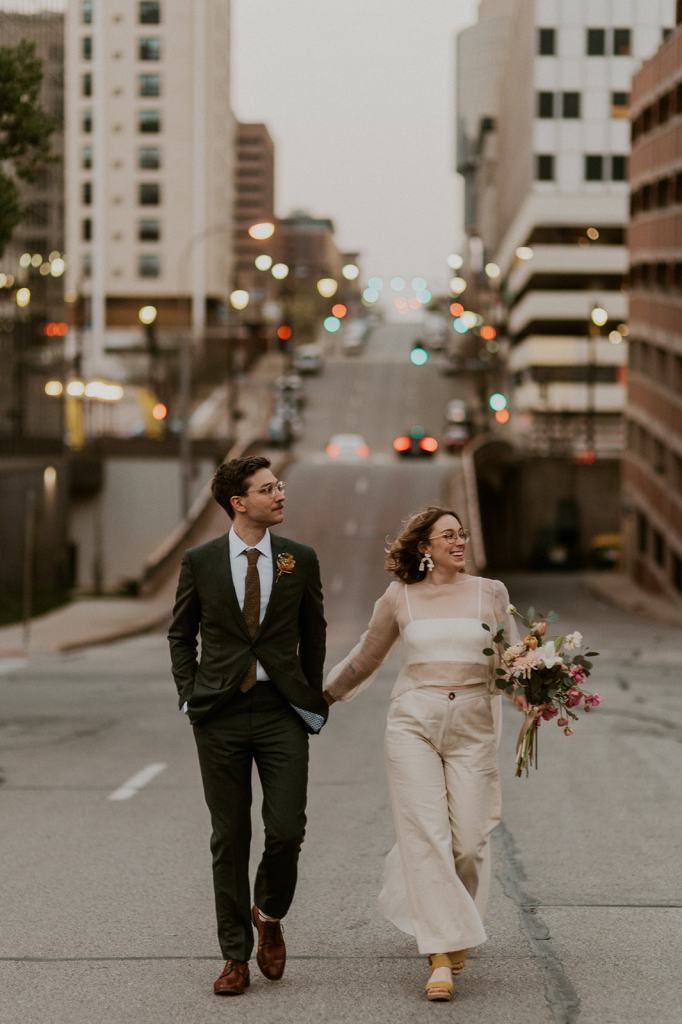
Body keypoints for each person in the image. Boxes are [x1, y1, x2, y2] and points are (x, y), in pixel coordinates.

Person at [323, 506, 524, 1003]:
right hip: (413, 722)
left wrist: (534, 691)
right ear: (424, 548)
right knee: (427, 836)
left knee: (470, 842)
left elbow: (513, 661)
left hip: (474, 725)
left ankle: (452, 920)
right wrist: (316, 697)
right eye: (448, 536)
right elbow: (366, 657)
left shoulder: (491, 592)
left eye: (463, 534)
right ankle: (439, 955)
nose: (460, 542)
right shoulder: (400, 597)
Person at [168, 455, 328, 996]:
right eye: (268, 489)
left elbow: (315, 632)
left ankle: (271, 913)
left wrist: (310, 695)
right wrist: (190, 694)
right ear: (239, 503)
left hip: (282, 711)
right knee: (229, 837)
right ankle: (234, 957)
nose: (280, 494)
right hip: (220, 715)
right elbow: (180, 634)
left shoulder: (298, 559)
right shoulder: (201, 561)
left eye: (279, 485)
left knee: (286, 829)